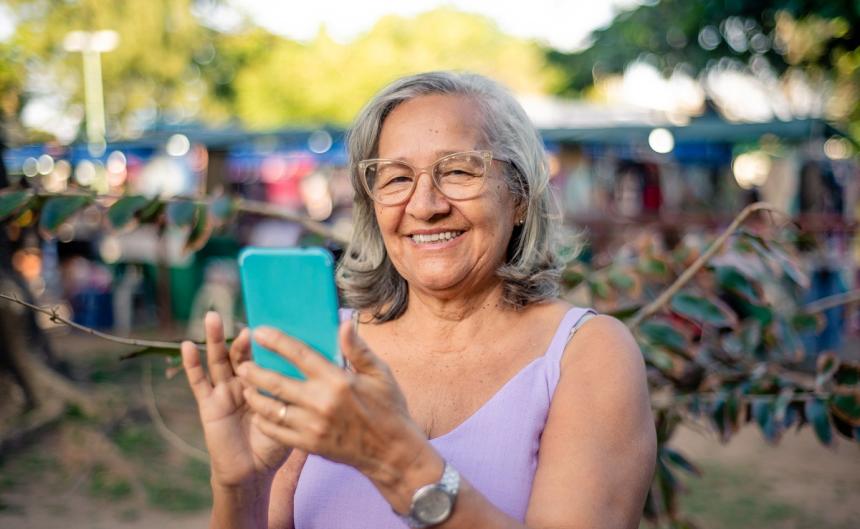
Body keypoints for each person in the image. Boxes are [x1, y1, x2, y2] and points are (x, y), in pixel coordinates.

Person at [181, 71, 656, 529]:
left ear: (519, 197)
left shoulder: (586, 353)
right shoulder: (328, 348)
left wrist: (397, 461)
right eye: (395, 179)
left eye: (457, 170)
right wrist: (240, 483)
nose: (425, 206)